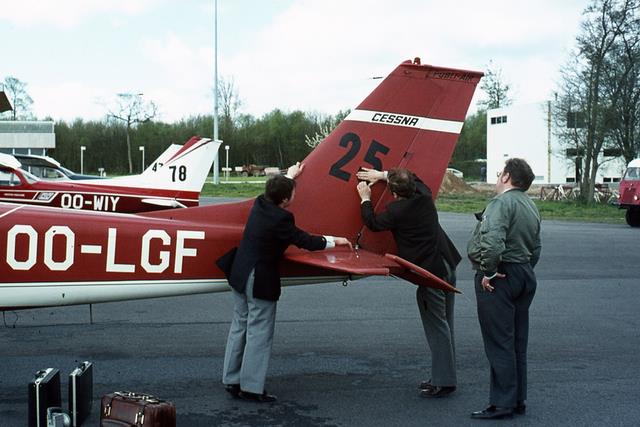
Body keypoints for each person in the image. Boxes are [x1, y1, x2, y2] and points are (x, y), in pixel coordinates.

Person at [220, 162, 351, 403]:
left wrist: (290, 176)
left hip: (239, 272)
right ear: (284, 200)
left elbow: (278, 190)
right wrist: (337, 240)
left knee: (240, 326)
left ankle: (231, 379)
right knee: (260, 331)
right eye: (292, 192)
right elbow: (306, 241)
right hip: (258, 279)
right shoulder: (282, 218)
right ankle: (251, 388)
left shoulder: (260, 204)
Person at [356, 167, 461, 398]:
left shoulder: (396, 211)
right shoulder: (424, 196)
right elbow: (416, 177)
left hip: (430, 273)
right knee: (446, 323)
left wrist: (365, 198)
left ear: (393, 193)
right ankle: (444, 375)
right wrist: (383, 175)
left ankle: (444, 382)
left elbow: (372, 222)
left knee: (437, 327)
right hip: (447, 264)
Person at [467, 158, 541, 419]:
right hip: (523, 272)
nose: (498, 177)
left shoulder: (501, 203)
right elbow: (536, 247)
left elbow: (493, 239)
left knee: (499, 341)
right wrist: (524, 268)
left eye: (500, 173)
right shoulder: (530, 205)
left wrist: (488, 272)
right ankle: (517, 398)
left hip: (501, 275)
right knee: (518, 342)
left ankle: (501, 403)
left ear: (507, 177)